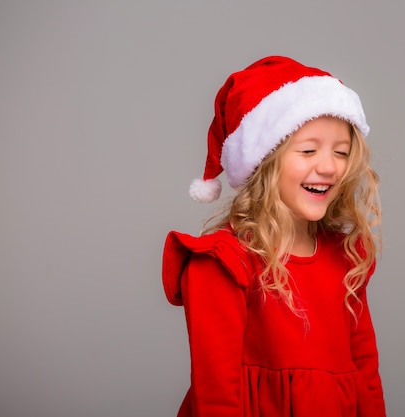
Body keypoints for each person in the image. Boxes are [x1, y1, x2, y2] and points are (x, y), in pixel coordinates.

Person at [162, 55, 385, 417]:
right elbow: (215, 396)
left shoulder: (347, 258)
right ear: (264, 161)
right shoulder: (223, 263)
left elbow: (367, 377)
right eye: (308, 150)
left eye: (341, 152)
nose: (329, 166)